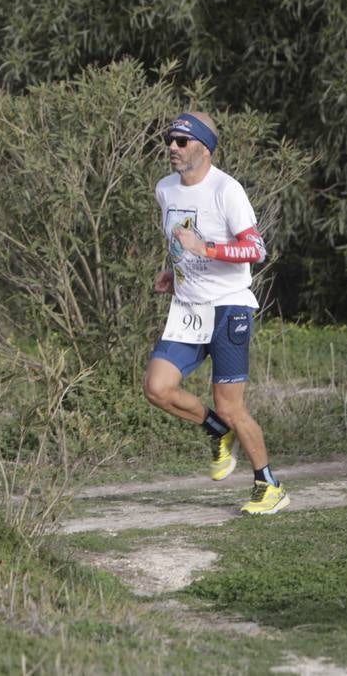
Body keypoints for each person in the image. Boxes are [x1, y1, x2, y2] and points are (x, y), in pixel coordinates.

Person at [142, 111, 289, 515]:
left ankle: (268, 484)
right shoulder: (166, 189)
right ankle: (216, 431)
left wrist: (205, 250)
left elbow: (255, 250)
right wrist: (173, 272)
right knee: (157, 387)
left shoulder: (227, 190)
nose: (172, 147)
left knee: (230, 404)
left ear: (204, 148)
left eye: (182, 141)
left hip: (229, 306)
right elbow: (179, 241)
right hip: (188, 306)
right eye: (170, 140)